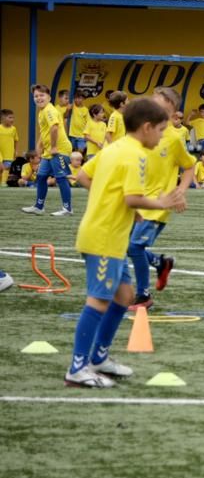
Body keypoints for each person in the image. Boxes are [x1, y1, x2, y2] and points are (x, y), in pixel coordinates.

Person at [64, 96, 185, 388]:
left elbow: (83, 175)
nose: (162, 135)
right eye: (160, 129)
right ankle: (77, 369)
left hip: (110, 234)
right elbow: (133, 197)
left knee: (124, 295)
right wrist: (162, 201)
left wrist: (120, 208)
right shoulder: (136, 155)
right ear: (146, 127)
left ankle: (98, 358)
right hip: (104, 237)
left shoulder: (114, 148)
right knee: (99, 299)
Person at [126, 86, 195, 306]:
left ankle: (143, 295)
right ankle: (161, 263)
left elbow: (189, 166)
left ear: (173, 114)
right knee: (125, 247)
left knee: (135, 247)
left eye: (162, 109)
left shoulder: (173, 139)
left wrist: (180, 192)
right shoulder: (139, 132)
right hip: (135, 199)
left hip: (158, 203)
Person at [23, 83, 73, 216]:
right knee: (41, 176)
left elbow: (54, 128)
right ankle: (39, 207)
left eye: (42, 95)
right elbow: (45, 132)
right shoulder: (42, 111)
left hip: (59, 150)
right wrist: (39, 148)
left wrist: (54, 147)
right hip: (49, 151)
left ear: (49, 97)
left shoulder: (49, 110)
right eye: (36, 96)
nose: (38, 98)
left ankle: (67, 209)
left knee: (61, 177)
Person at [0, 107, 18, 174]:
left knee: (6, 172)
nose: (12, 119)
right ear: (3, 118)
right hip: (1, 155)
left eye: (13, 117)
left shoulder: (13, 129)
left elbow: (16, 140)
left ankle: (3, 183)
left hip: (9, 156)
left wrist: (15, 151)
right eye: (10, 117)